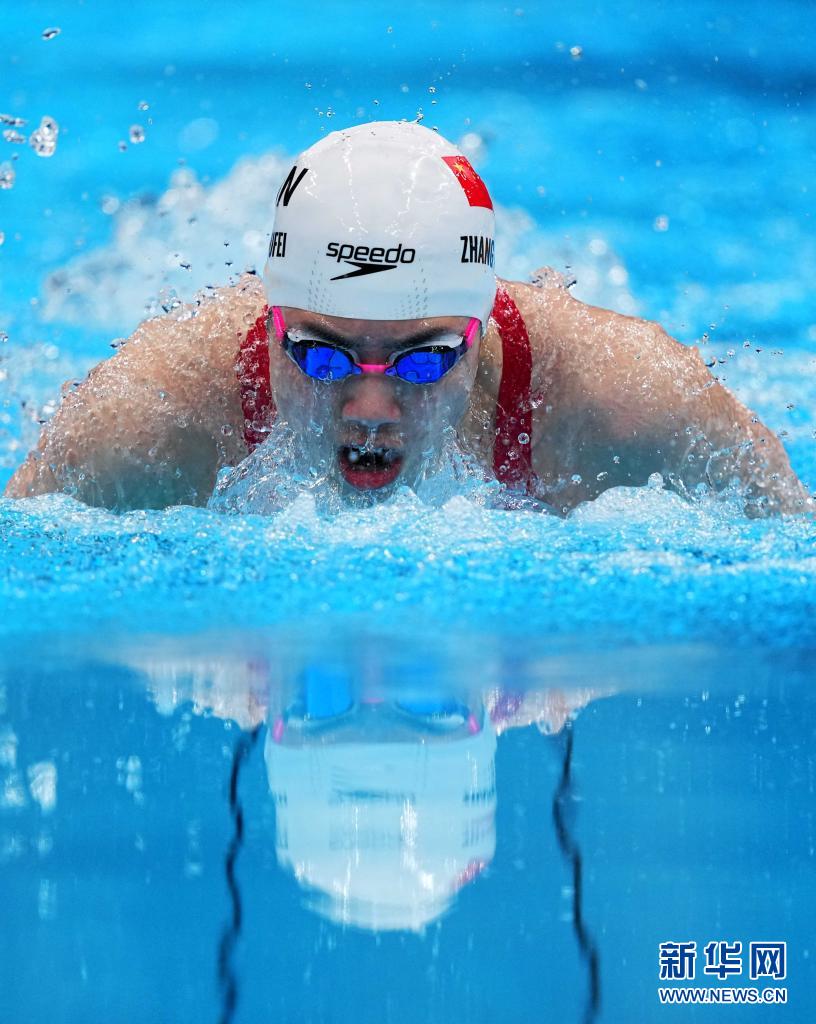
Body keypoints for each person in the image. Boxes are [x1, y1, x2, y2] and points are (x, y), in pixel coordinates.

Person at [4, 121, 809, 515]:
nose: (370, 409)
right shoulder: (148, 416)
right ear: (273, 322)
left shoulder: (628, 401)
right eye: (322, 356)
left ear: (481, 329)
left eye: (423, 362)